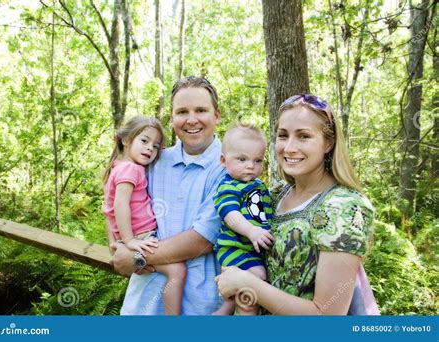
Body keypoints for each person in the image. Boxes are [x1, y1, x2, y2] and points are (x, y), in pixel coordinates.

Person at [216, 94, 375, 315]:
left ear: (328, 143)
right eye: (283, 135)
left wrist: (247, 283)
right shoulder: (275, 194)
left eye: (303, 136)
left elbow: (327, 316)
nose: (289, 147)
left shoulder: (344, 207)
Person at [110, 76, 226, 315]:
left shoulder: (230, 165)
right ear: (172, 118)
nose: (191, 119)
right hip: (142, 304)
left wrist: (136, 256)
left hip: (199, 307)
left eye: (201, 110)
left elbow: (202, 239)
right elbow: (118, 200)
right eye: (182, 111)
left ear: (217, 115)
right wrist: (116, 243)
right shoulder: (154, 160)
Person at [102, 116, 186, 315]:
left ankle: (141, 264)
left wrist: (115, 242)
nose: (150, 149)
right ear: (125, 140)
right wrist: (130, 241)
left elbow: (107, 211)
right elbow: (120, 204)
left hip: (133, 239)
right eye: (144, 141)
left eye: (156, 146)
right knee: (177, 271)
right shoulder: (131, 169)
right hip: (141, 236)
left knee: (148, 270)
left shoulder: (117, 167)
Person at [212, 124, 274, 315]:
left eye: (257, 160)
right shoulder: (228, 186)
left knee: (244, 289)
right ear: (224, 160)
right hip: (235, 248)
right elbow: (231, 215)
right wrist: (252, 231)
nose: (250, 165)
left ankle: (226, 311)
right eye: (242, 159)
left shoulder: (259, 185)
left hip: (252, 250)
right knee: (256, 280)